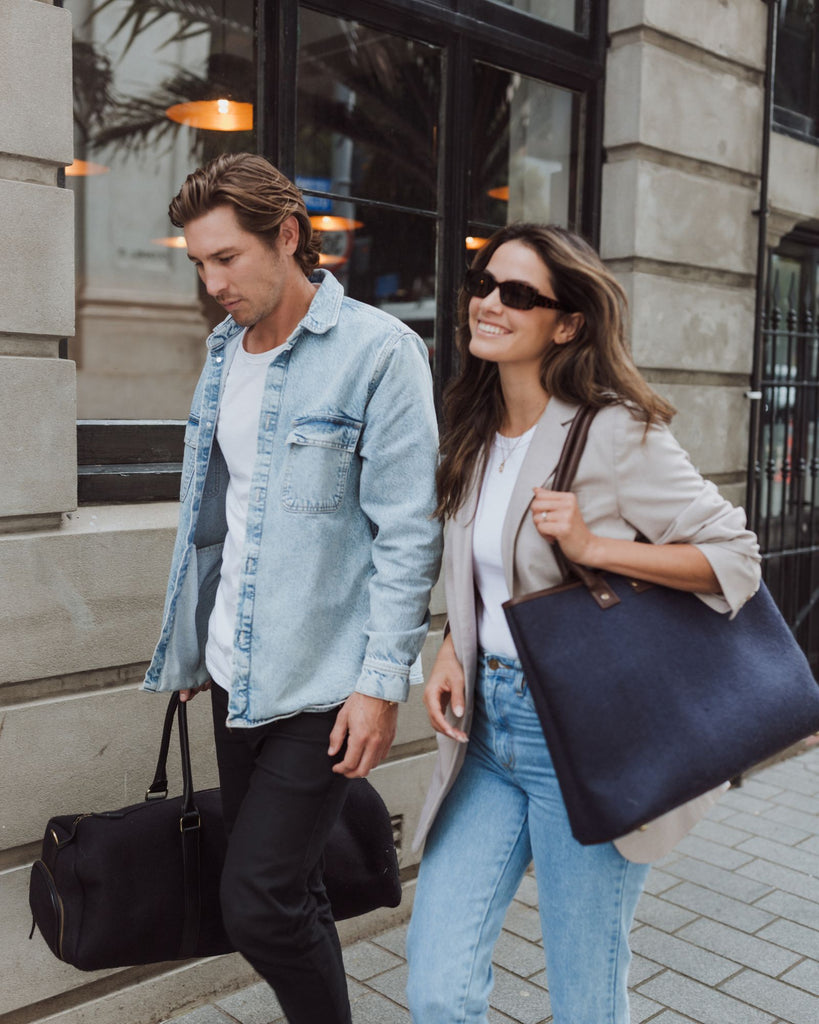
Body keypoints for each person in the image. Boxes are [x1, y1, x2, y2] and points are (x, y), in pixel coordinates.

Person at [405, 222, 761, 1024]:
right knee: (437, 989)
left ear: (566, 323)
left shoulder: (612, 429)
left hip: (588, 740)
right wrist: (452, 650)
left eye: (518, 294)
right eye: (482, 282)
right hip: (489, 734)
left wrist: (595, 545)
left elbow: (735, 558)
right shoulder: (471, 427)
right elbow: (483, 576)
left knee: (582, 999)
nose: (489, 303)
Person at [142, 153, 442, 1024]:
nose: (211, 282)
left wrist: (381, 685)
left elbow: (407, 532)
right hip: (236, 673)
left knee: (261, 904)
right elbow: (220, 517)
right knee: (292, 889)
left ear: (288, 237)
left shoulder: (379, 353)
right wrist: (199, 636)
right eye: (198, 262)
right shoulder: (224, 350)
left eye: (227, 258)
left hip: (323, 682)